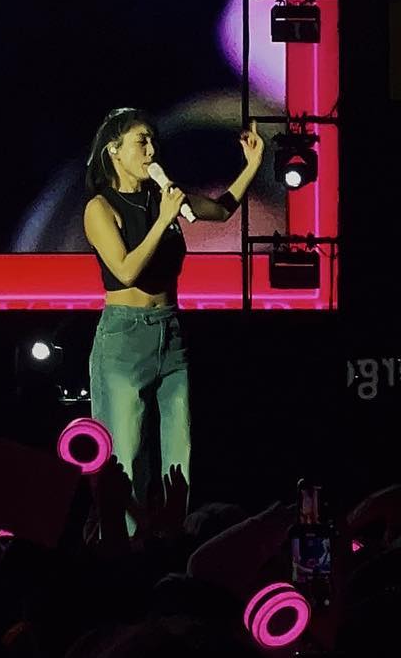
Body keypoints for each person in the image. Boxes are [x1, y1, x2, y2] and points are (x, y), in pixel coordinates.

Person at [81, 106, 264, 520]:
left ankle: (173, 539)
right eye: (141, 142)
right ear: (114, 150)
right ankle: (123, 543)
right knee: (125, 458)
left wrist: (252, 165)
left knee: (179, 454)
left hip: (171, 330)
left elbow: (221, 210)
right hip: (124, 337)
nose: (151, 151)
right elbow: (125, 270)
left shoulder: (164, 195)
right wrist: (163, 219)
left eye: (153, 141)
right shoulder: (100, 208)